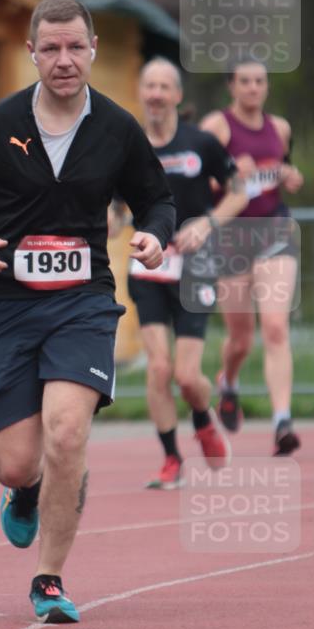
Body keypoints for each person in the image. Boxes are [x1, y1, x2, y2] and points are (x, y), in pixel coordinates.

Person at [0, 0, 175, 624]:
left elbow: (158, 200)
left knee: (67, 435)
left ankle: (50, 579)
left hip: (84, 303)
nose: (64, 60)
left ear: (91, 49)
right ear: (31, 53)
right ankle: (26, 490)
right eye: (51, 48)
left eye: (75, 47)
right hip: (8, 306)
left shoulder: (117, 129)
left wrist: (152, 235)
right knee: (16, 461)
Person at [118, 58, 248, 489]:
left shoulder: (201, 143)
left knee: (187, 377)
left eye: (163, 87)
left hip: (196, 265)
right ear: (142, 93)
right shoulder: (128, 146)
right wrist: (110, 221)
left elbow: (239, 191)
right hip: (148, 266)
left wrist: (207, 223)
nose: (155, 94)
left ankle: (202, 417)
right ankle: (172, 458)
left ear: (176, 95)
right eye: (148, 86)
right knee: (158, 369)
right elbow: (116, 209)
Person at [200, 58, 304, 456]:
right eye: (244, 82)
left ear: (267, 86)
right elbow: (194, 179)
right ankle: (228, 381)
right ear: (232, 86)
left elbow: (283, 168)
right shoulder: (217, 127)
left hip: (275, 232)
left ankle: (282, 422)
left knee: (275, 327)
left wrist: (291, 176)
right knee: (241, 338)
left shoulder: (280, 128)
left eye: (259, 81)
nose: (253, 89)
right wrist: (226, 177)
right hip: (231, 239)